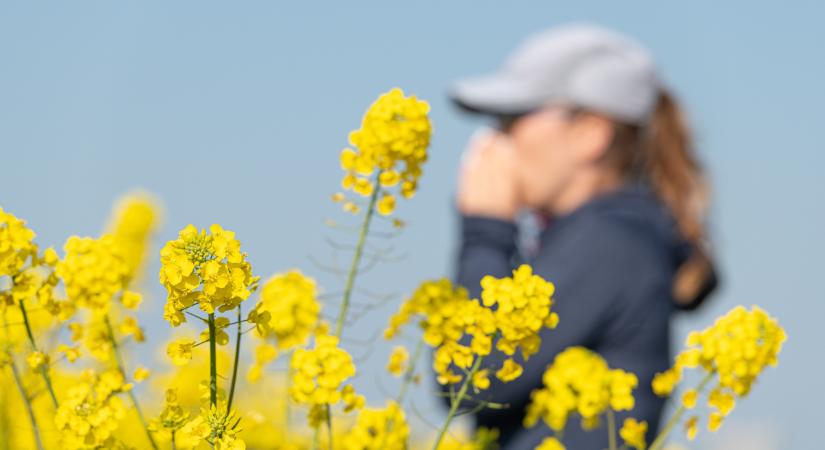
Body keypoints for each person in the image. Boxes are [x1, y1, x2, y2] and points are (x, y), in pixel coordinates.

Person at [449, 24, 719, 449]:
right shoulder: (597, 238)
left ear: (589, 133)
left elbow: (469, 381)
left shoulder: (612, 243)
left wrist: (485, 232)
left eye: (512, 118)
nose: (493, 139)